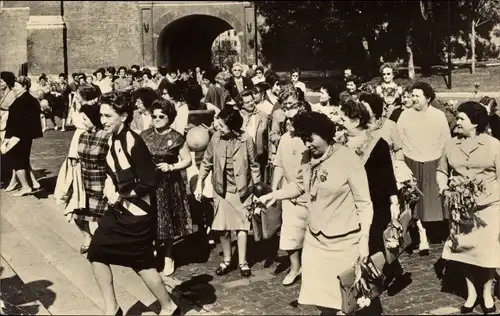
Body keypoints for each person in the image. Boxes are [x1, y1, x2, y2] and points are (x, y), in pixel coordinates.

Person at [259, 111, 373, 314]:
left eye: (310, 139)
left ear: (326, 134)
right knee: (321, 300)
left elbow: (364, 204)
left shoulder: (348, 159)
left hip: (344, 243)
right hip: (314, 241)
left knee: (346, 304)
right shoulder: (307, 157)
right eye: (304, 140)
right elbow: (301, 185)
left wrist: (364, 241)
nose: (307, 145)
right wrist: (276, 194)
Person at [87, 91, 178, 316]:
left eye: (108, 116)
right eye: (102, 115)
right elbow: (112, 170)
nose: (103, 120)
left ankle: (169, 306)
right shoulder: (112, 138)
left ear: (124, 116)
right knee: (96, 251)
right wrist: (110, 187)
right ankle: (112, 309)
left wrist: (123, 195)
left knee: (142, 264)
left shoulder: (134, 142)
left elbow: (149, 181)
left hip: (139, 214)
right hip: (119, 212)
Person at [437, 101, 499, 315]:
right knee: (463, 250)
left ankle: (487, 292)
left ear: (475, 123)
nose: (457, 121)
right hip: (459, 206)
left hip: (488, 206)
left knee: (487, 252)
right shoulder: (450, 144)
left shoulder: (493, 145)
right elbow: (442, 171)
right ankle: (471, 292)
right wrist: (444, 188)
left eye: (462, 118)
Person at [194, 107, 261, 278]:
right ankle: (226, 260)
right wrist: (199, 184)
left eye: (222, 126)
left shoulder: (246, 140)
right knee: (222, 227)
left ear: (233, 127)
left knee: (242, 227)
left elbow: (254, 166)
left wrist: (257, 190)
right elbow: (206, 162)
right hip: (221, 190)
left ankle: (243, 262)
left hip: (242, 190)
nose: (218, 128)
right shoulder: (215, 138)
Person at [397, 82, 451, 255]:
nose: (413, 98)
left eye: (417, 96)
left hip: (434, 161)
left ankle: (445, 235)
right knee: (414, 201)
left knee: (435, 200)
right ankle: (422, 236)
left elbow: (446, 140)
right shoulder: (405, 115)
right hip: (411, 161)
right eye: (412, 95)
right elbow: (399, 140)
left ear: (428, 98)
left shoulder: (439, 116)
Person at [141, 98, 193, 276]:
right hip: (148, 183)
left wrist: (171, 167)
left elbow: (187, 160)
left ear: (169, 117)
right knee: (149, 219)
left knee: (166, 220)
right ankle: (153, 251)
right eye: (154, 116)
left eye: (161, 116)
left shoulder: (177, 137)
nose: (156, 119)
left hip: (168, 184)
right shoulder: (145, 135)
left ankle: (169, 256)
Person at [271, 100, 310, 286]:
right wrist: (274, 189)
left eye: (292, 120)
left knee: (310, 234)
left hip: (309, 196)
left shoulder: (309, 140)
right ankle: (295, 268)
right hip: (289, 194)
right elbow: (279, 164)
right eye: (287, 120)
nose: (288, 124)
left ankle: (310, 268)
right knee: (290, 234)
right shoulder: (285, 138)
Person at [74, 101, 110, 254]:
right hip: (83, 181)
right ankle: (87, 237)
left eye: (85, 119)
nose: (83, 122)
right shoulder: (82, 135)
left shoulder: (107, 136)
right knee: (77, 215)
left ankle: (105, 243)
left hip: (100, 181)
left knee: (103, 218)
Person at [1, 76, 43, 197]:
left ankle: (25, 187)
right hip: (27, 135)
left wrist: (9, 137)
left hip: (18, 135)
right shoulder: (31, 99)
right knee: (24, 159)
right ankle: (32, 183)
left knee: (17, 161)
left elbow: (15, 121)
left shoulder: (20, 101)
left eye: (17, 85)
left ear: (24, 86)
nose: (14, 88)